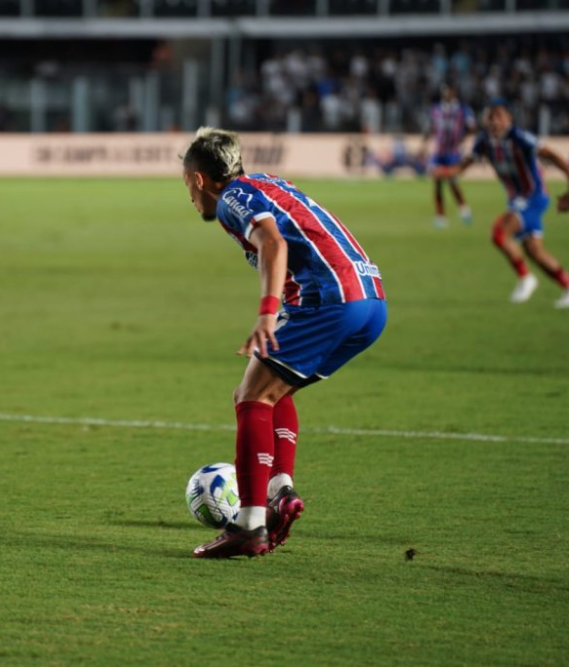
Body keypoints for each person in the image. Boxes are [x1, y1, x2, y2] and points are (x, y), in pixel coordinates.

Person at [181, 127, 387, 559]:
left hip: (331, 299)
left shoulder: (232, 198)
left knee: (251, 397)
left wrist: (267, 313)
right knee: (272, 389)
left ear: (199, 179)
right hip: (370, 301)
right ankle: (280, 491)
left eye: (188, 186)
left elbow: (272, 243)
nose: (190, 197)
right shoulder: (267, 182)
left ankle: (249, 524)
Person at [444, 101, 569, 308]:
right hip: (516, 199)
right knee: (534, 251)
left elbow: (552, 155)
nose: (494, 121)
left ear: (509, 119)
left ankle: (526, 277)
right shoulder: (483, 141)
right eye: (491, 117)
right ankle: (566, 286)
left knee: (499, 233)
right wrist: (443, 172)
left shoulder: (519, 137)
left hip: (533, 197)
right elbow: (463, 166)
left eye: (499, 116)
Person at [422, 84, 475, 229]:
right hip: (438, 152)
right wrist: (424, 143)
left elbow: (472, 126)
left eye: (448, 91)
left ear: (454, 92)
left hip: (453, 152)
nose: (445, 93)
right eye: (443, 91)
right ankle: (440, 216)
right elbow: (431, 127)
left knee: (452, 181)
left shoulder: (462, 109)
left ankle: (464, 209)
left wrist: (463, 139)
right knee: (437, 182)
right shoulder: (436, 109)